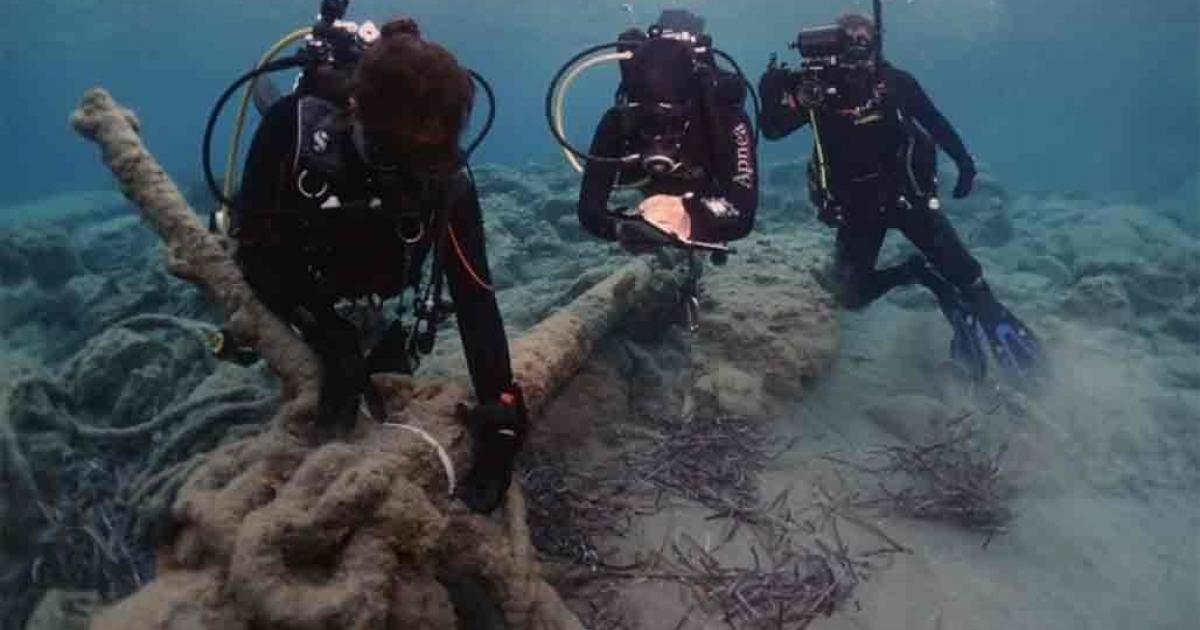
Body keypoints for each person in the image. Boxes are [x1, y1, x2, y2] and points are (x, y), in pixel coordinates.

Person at [230, 18, 524, 513]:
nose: (412, 177)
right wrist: (327, 332)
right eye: (396, 155)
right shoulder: (294, 133)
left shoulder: (446, 180)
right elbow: (253, 254)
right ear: (354, 114)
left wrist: (504, 407)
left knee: (385, 370)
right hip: (306, 280)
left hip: (380, 289)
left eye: (432, 157)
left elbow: (474, 295)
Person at [758, 13, 1045, 384]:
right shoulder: (816, 87)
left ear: (877, 41)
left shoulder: (895, 83)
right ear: (834, 43)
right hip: (856, 206)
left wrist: (964, 161)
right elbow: (773, 129)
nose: (860, 44)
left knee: (967, 275)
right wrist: (774, 92)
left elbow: (934, 121)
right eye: (850, 37)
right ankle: (915, 271)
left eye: (867, 36)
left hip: (907, 195)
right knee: (851, 294)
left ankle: (992, 319)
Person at [576, 9, 758, 250]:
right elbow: (590, 211)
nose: (659, 133)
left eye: (671, 116)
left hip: (708, 193)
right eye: (648, 115)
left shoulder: (723, 115)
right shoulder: (620, 120)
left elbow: (742, 213)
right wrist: (624, 229)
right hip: (658, 204)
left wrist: (688, 214)